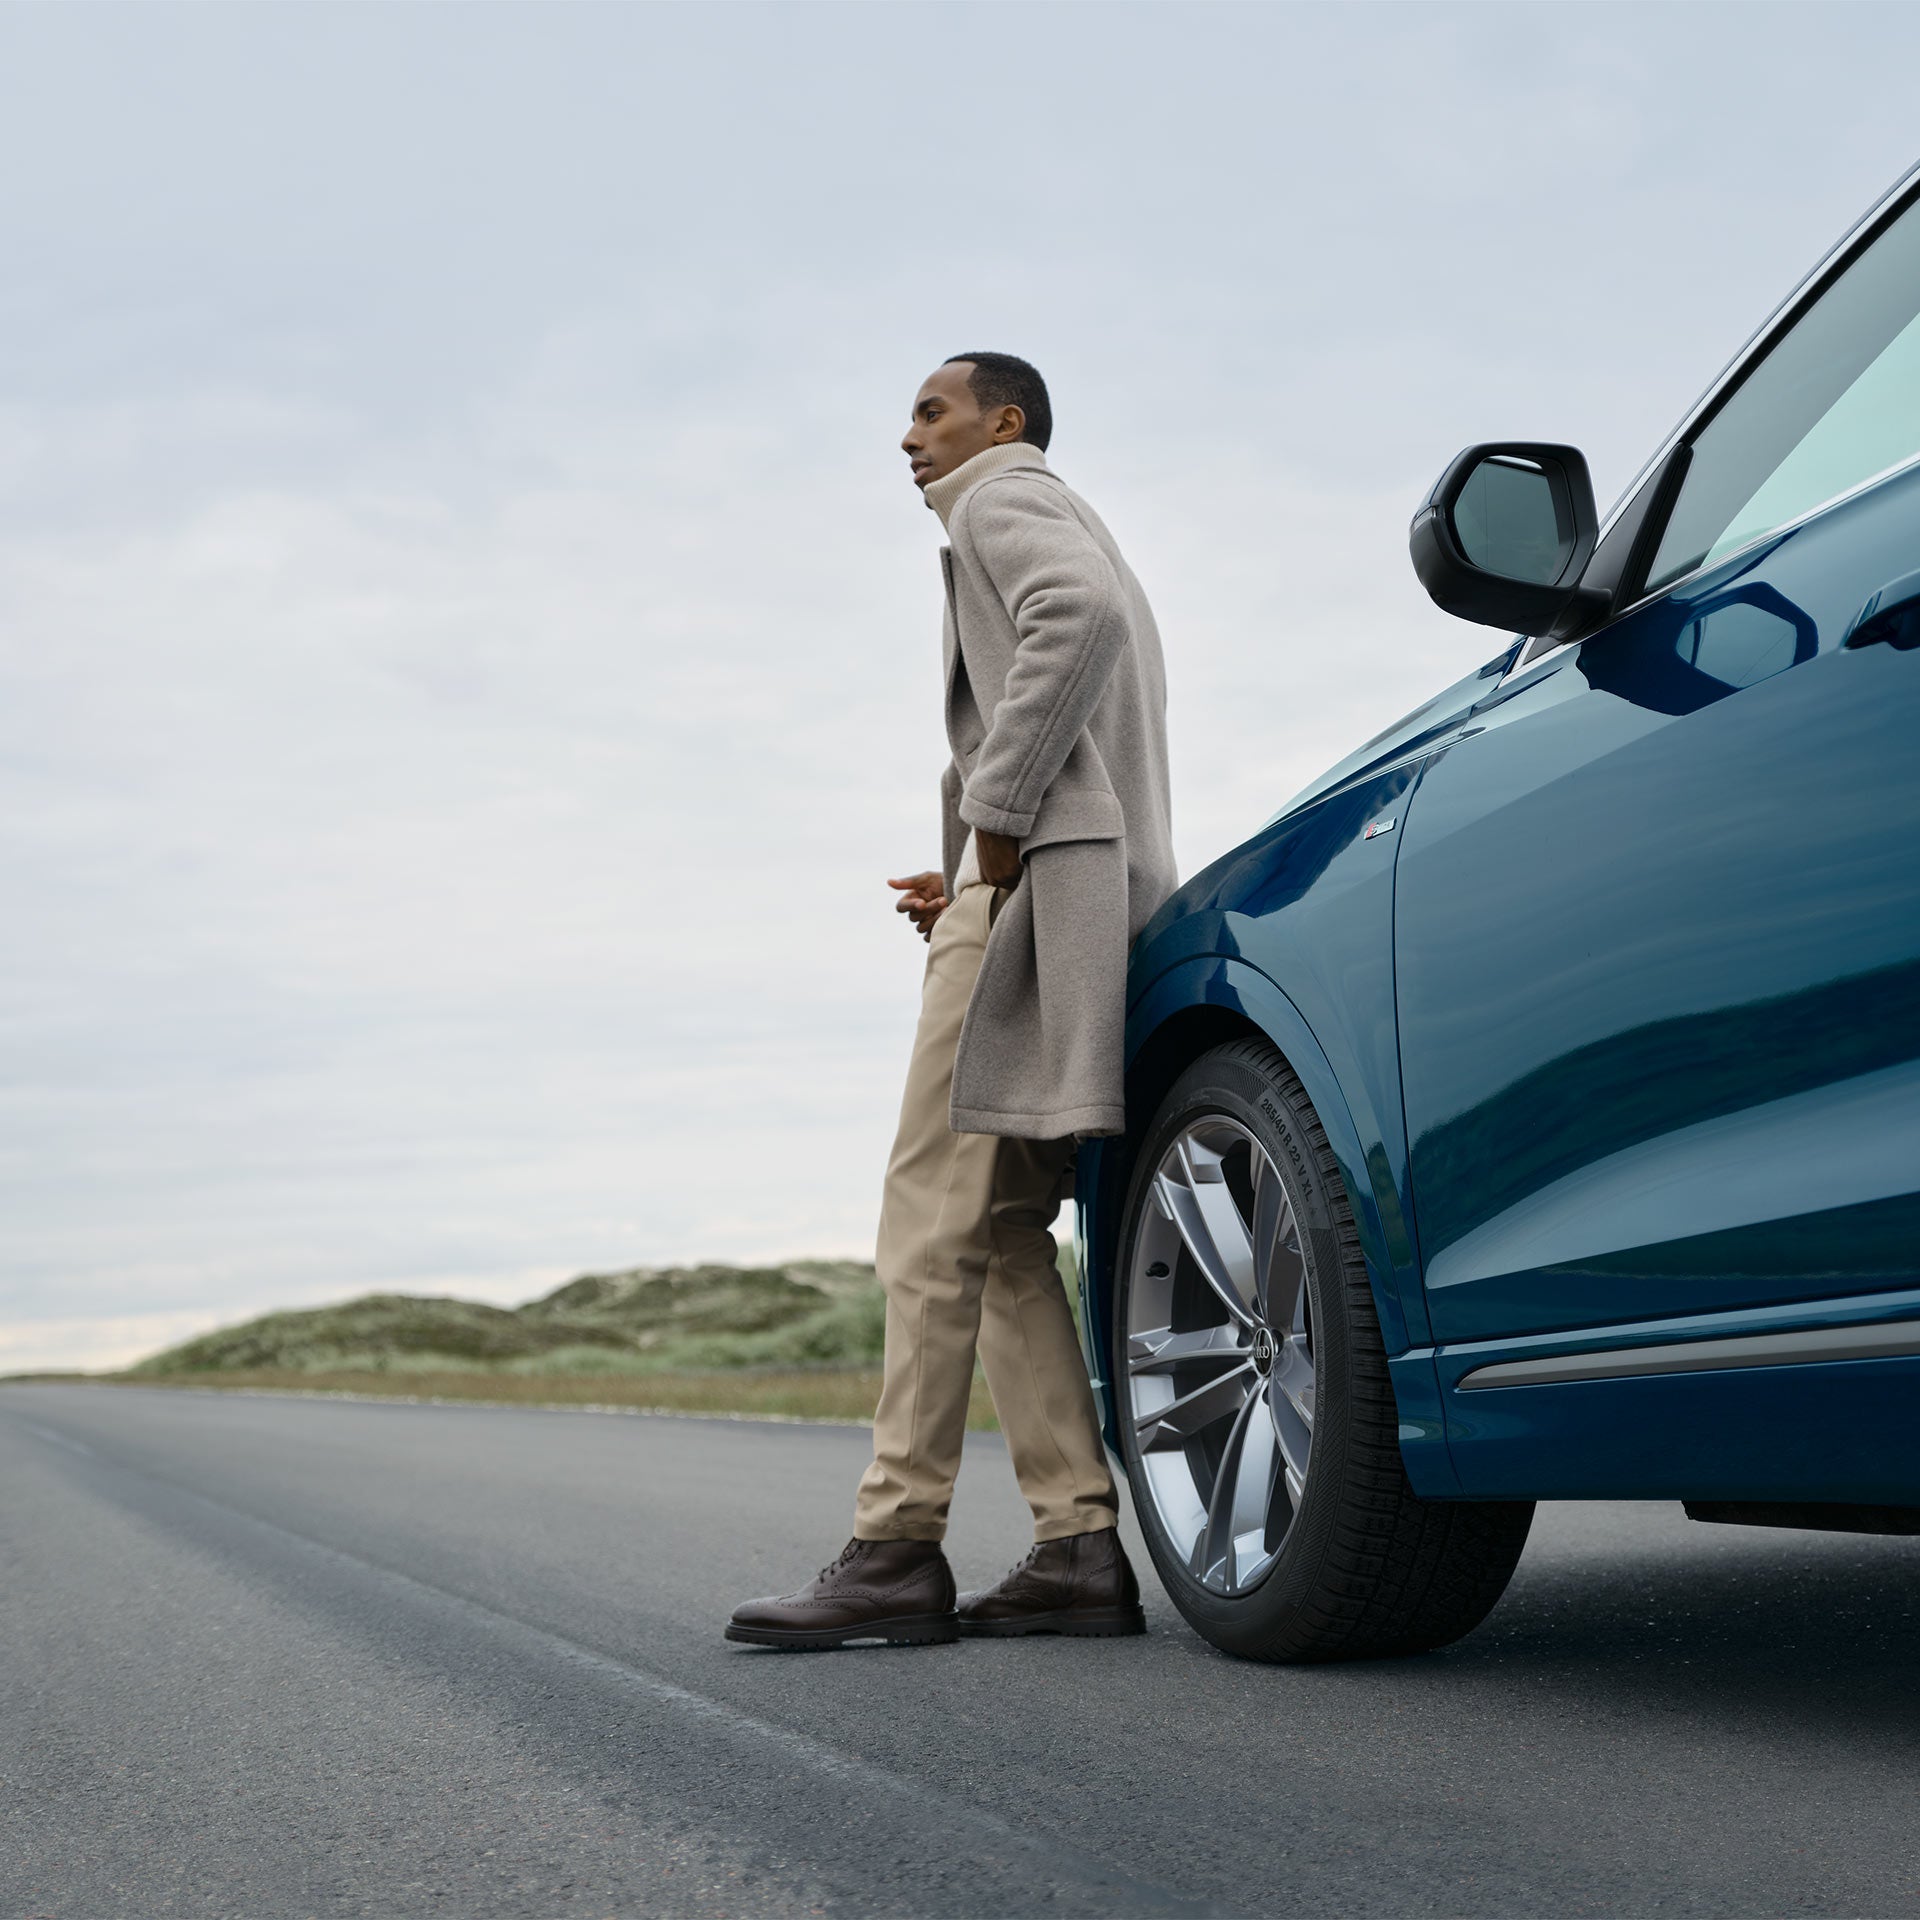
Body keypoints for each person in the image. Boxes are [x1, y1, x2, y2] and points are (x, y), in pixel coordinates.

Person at [726, 352, 1177, 1649]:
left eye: (931, 409)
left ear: (1004, 421)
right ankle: (1079, 1543)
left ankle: (891, 1546)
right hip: (1073, 898)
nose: (909, 435)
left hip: (1030, 901)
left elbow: (1071, 618)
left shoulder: (1006, 496)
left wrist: (992, 835)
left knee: (927, 1223)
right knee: (1000, 1231)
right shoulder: (1051, 514)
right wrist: (977, 865)